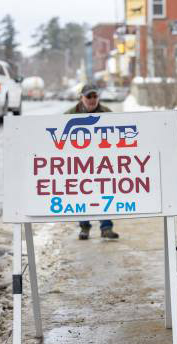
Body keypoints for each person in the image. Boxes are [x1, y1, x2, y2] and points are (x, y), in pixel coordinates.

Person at [64, 84, 120, 241]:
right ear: (81, 97)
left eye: (95, 96)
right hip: (79, 163)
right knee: (82, 194)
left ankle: (106, 227)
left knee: (104, 193)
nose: (92, 100)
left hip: (102, 163)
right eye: (88, 96)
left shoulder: (107, 113)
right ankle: (84, 227)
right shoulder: (69, 115)